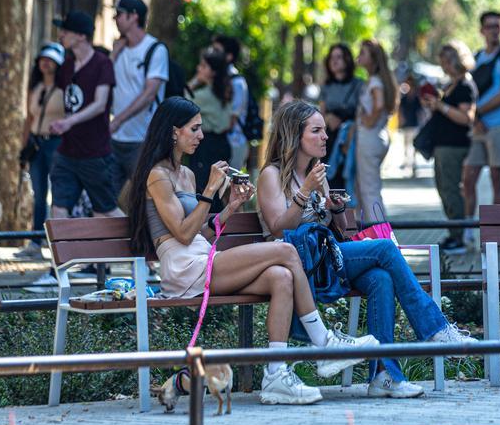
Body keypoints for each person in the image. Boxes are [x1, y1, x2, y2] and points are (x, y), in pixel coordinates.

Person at [130, 97, 374, 405]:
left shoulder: (186, 174)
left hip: (203, 258)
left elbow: (200, 233)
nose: (201, 136)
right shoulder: (157, 176)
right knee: (286, 251)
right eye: (194, 129)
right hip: (183, 269)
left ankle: (275, 375)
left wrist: (230, 206)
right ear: (173, 132)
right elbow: (180, 232)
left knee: (280, 277)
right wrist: (208, 192)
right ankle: (323, 342)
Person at [257, 101, 476, 399]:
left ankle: (384, 376)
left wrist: (334, 210)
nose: (325, 137)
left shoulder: (315, 174)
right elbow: (279, 230)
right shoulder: (272, 175)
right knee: (385, 248)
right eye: (316, 131)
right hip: (298, 266)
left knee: (380, 279)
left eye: (324, 130)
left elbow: (330, 231)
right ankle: (436, 328)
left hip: (324, 262)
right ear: (295, 136)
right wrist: (306, 191)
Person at [48, 10, 121, 220]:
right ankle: (62, 253)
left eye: (65, 30)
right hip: (67, 151)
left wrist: (68, 122)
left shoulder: (102, 63)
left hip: (95, 153)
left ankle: (139, 245)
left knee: (106, 210)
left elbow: (100, 104)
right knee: (58, 208)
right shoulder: (67, 66)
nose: (60, 34)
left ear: (81, 35)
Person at [109, 0, 169, 197]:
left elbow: (149, 94)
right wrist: (113, 56)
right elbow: (104, 84)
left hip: (142, 140)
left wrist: (119, 119)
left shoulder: (155, 49)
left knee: (144, 199)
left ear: (134, 16)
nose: (115, 19)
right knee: (105, 199)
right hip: (116, 139)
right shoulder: (118, 49)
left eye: (119, 14)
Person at [464, 11, 500, 215]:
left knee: (497, 179)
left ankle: (496, 236)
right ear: (481, 30)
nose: (494, 31)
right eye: (489, 26)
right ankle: (467, 233)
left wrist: (476, 112)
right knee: (468, 178)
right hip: (476, 126)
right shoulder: (475, 58)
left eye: (497, 26)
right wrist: (475, 117)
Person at [425, 41, 478, 254]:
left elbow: (467, 117)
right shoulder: (451, 84)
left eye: (447, 60)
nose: (444, 65)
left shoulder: (465, 85)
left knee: (451, 189)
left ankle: (458, 235)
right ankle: (454, 232)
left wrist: (441, 106)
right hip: (443, 144)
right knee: (444, 188)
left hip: (454, 146)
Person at [15, 43, 67, 259]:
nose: (46, 63)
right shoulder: (34, 88)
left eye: (51, 59)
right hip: (36, 144)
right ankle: (35, 242)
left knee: (58, 195)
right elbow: (29, 118)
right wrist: (23, 146)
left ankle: (58, 244)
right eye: (42, 59)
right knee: (38, 194)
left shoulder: (65, 88)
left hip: (56, 143)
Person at [354, 39, 397, 223]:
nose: (359, 56)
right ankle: (373, 236)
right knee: (366, 189)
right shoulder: (377, 80)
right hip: (377, 137)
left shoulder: (376, 82)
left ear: (373, 58)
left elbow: (379, 105)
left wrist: (367, 121)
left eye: (363, 53)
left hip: (370, 137)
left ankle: (382, 238)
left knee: (369, 190)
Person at [186, 48, 233, 192]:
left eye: (204, 66)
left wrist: (195, 80)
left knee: (204, 188)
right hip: (222, 143)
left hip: (207, 145)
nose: (198, 68)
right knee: (218, 189)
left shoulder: (204, 95)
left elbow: (182, 104)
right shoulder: (225, 91)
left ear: (213, 72)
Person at [319, 43, 361, 192]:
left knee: (348, 181)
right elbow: (321, 113)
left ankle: (350, 214)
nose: (334, 61)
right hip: (330, 139)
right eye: (331, 58)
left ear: (347, 60)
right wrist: (328, 118)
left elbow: (361, 114)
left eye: (339, 57)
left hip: (349, 139)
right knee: (329, 180)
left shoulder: (358, 85)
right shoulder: (326, 86)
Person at [213, 35, 252, 172]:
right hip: (220, 142)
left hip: (234, 143)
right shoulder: (216, 78)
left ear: (229, 56)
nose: (212, 53)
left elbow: (232, 119)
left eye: (217, 50)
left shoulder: (237, 82)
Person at [397, 72, 424, 177]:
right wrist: (400, 121)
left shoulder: (417, 98)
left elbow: (421, 112)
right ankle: (408, 165)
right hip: (407, 125)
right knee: (407, 146)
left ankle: (413, 165)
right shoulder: (404, 98)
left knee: (414, 146)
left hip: (415, 124)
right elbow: (400, 111)